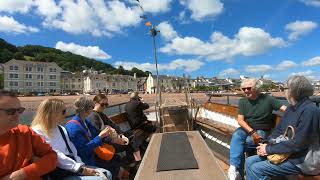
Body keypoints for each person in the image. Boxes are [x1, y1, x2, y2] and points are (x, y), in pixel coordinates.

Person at [246, 75, 320, 180]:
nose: (284, 91)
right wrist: (266, 144)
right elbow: (279, 131)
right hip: (288, 154)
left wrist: (268, 149)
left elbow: (299, 144)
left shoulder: (310, 111)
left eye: (285, 88)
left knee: (256, 169)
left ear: (294, 91)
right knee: (250, 161)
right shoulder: (291, 109)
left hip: (303, 160)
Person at [31, 98, 112, 180]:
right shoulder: (37, 132)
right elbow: (55, 154)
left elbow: (72, 149)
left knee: (107, 174)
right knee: (101, 178)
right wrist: (81, 169)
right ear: (51, 113)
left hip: (72, 167)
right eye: (63, 112)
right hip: (57, 172)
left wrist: (81, 165)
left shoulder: (60, 128)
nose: (65, 115)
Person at [228, 78, 287, 180]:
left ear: (256, 88)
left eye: (249, 88)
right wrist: (252, 132)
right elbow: (240, 120)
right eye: (243, 89)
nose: (246, 91)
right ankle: (234, 168)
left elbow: (285, 109)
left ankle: (239, 173)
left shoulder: (268, 99)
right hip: (247, 129)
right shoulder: (243, 101)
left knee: (241, 145)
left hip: (262, 130)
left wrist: (301, 114)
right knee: (237, 136)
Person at [0, 90, 57, 179]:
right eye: (10, 111)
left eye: (19, 110)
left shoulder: (25, 132)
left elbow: (52, 157)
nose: (17, 115)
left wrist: (21, 174)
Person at [65, 96, 126, 180]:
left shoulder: (85, 121)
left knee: (117, 159)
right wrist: (100, 136)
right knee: (113, 166)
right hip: (85, 160)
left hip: (93, 153)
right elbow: (83, 151)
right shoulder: (74, 128)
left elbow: (95, 135)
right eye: (92, 107)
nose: (93, 109)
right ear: (85, 110)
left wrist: (109, 135)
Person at [88, 94, 142, 168]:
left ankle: (132, 162)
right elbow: (100, 136)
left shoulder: (101, 114)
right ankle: (135, 162)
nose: (104, 107)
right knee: (131, 140)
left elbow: (113, 125)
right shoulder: (93, 116)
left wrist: (121, 135)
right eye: (102, 104)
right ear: (95, 103)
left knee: (130, 135)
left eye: (106, 104)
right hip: (105, 145)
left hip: (112, 138)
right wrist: (116, 140)